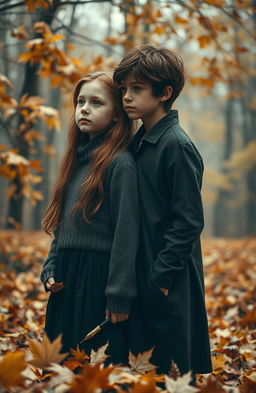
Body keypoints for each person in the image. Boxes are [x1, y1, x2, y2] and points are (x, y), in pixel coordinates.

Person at [113, 45, 212, 379]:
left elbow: (189, 221)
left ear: (164, 93)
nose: (126, 96)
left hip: (168, 276)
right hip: (142, 271)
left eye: (136, 89)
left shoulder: (177, 146)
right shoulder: (140, 141)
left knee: (171, 367)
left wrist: (161, 277)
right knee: (143, 366)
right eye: (124, 88)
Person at [40, 71, 139, 364]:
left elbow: (127, 232)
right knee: (60, 365)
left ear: (117, 116)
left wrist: (119, 294)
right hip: (67, 277)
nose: (84, 108)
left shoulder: (120, 163)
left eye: (97, 103)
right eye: (80, 101)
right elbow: (63, 226)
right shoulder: (76, 159)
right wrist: (50, 267)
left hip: (97, 278)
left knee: (92, 367)